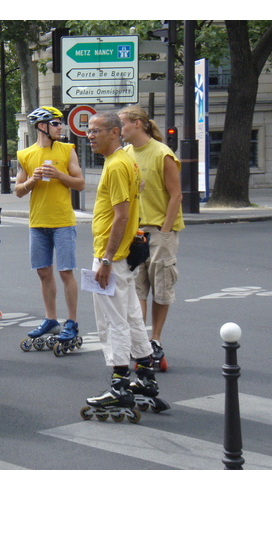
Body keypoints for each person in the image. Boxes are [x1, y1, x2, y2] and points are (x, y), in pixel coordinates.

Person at [84, 110, 162, 413]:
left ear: (114, 132)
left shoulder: (117, 166)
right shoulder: (127, 161)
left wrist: (104, 260)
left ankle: (118, 385)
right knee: (131, 318)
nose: (90, 136)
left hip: (111, 258)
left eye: (96, 131)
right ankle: (145, 377)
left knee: (111, 321)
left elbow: (122, 215)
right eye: (89, 131)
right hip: (123, 255)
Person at [119, 105, 184, 368]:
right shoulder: (125, 154)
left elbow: (176, 195)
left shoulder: (162, 153)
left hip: (159, 230)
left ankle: (155, 339)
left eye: (122, 124)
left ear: (137, 124)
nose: (119, 129)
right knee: (137, 289)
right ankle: (140, 343)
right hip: (135, 231)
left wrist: (166, 231)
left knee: (161, 287)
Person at [14, 106, 85, 343]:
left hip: (63, 221)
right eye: (56, 123)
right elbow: (18, 191)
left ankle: (72, 322)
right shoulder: (25, 155)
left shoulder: (67, 150)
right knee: (44, 272)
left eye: (61, 123)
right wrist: (32, 180)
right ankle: (51, 318)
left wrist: (59, 175)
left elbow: (80, 183)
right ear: (41, 126)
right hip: (38, 222)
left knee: (65, 272)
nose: (60, 127)